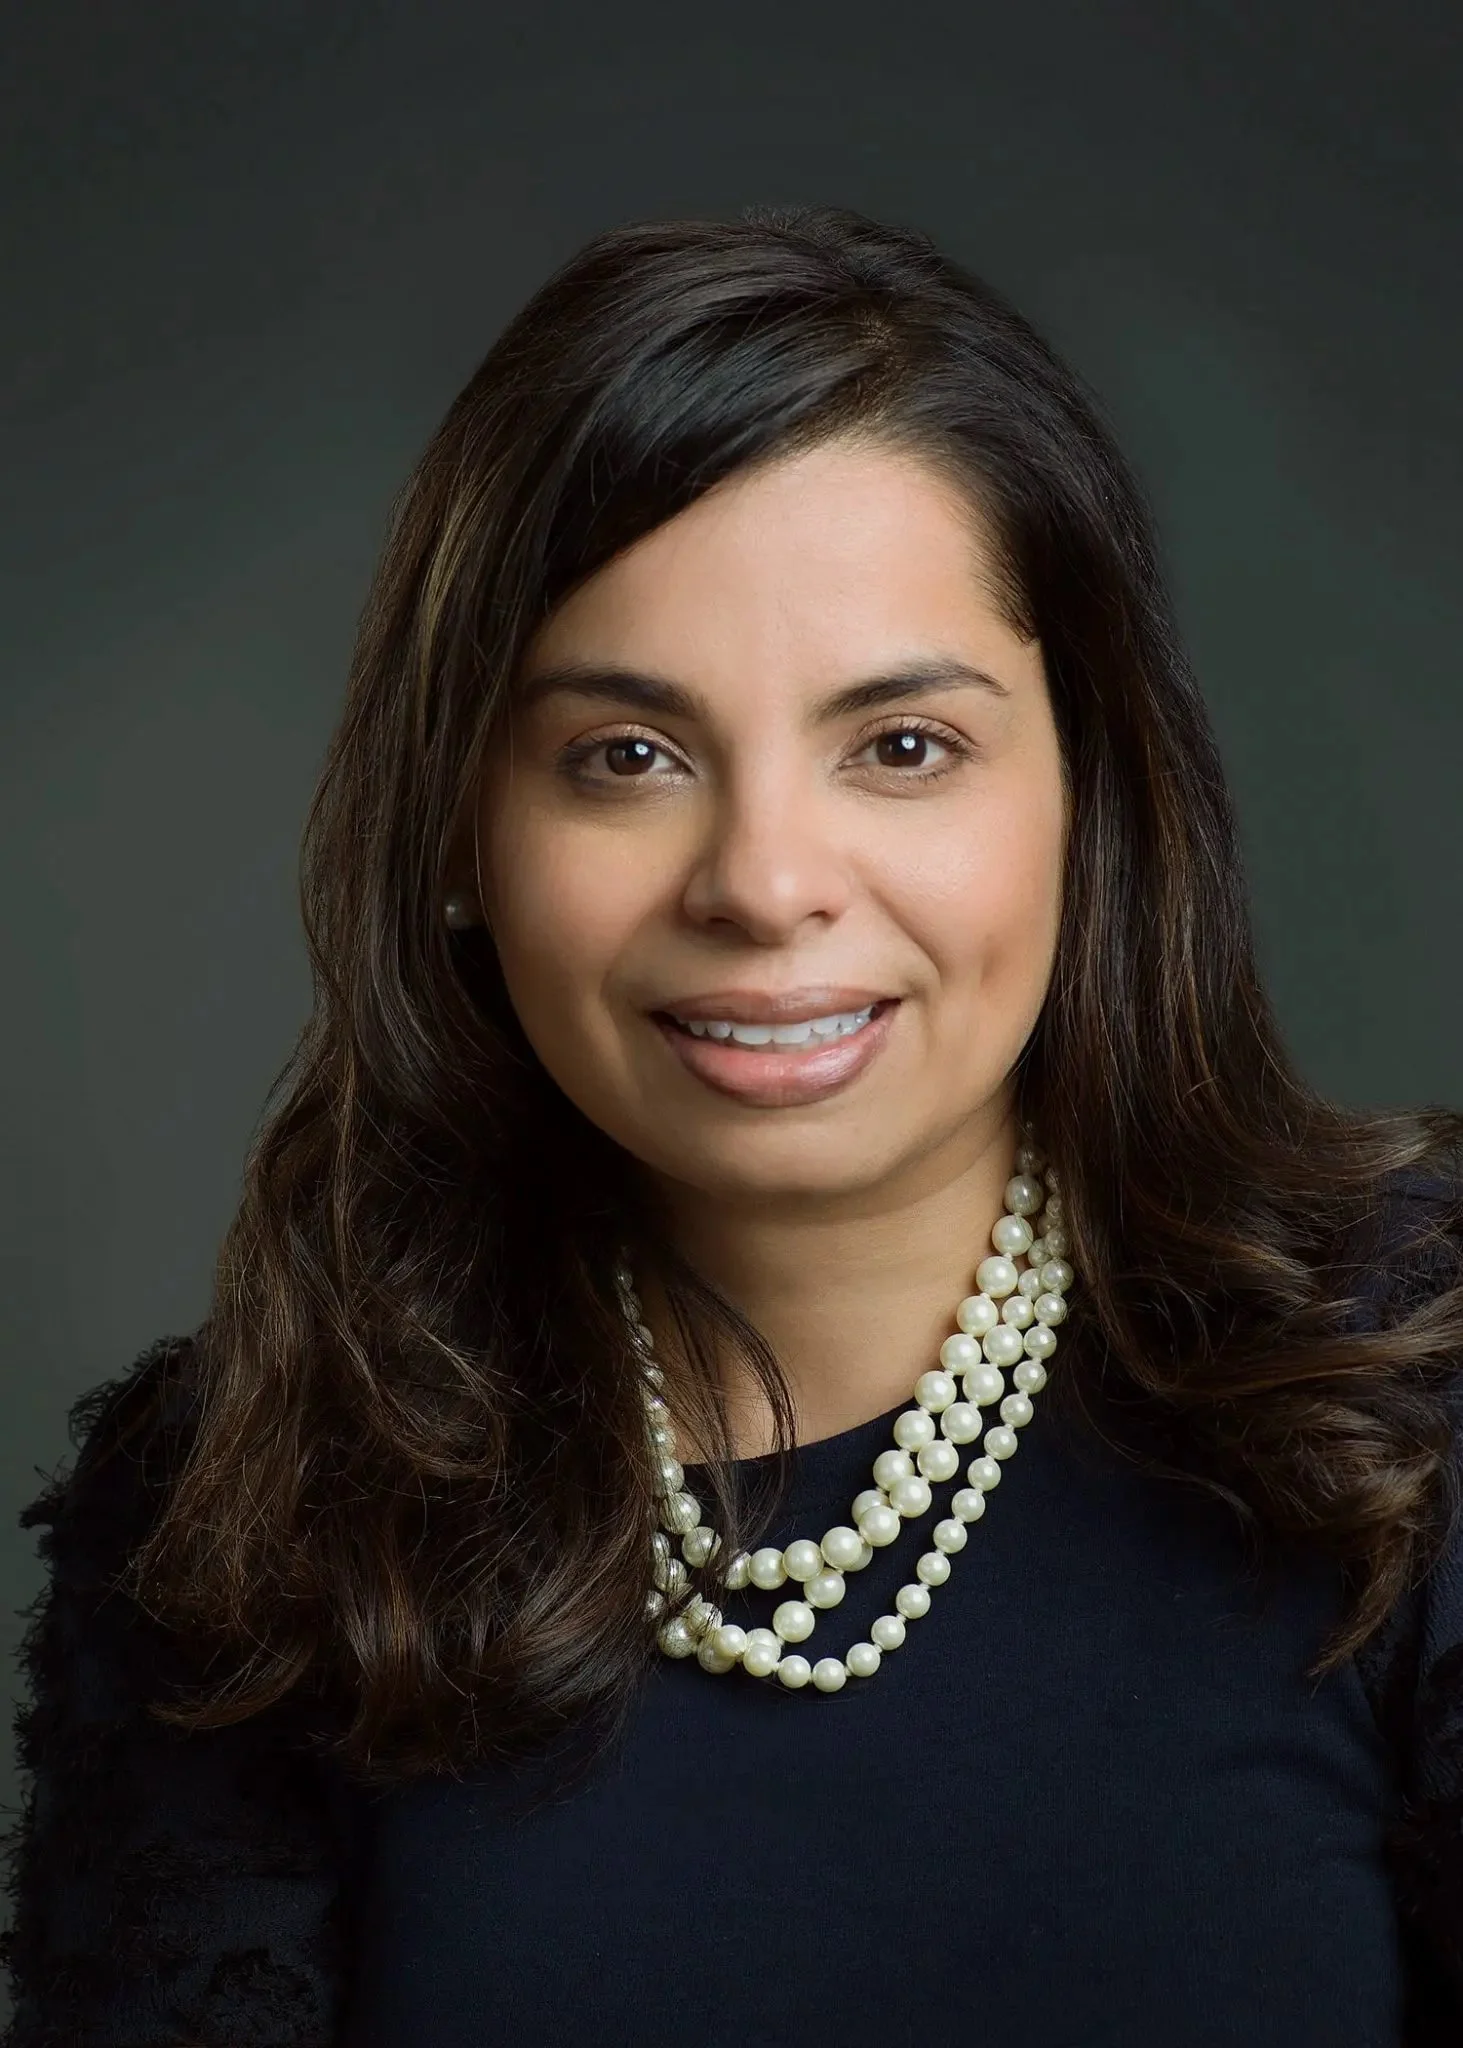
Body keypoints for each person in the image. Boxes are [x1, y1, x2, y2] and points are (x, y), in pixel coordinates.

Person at [2, 203, 1461, 2048]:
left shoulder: (1416, 1403)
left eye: (902, 746)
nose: (765, 884)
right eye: (625, 756)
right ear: (459, 830)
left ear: (1096, 798)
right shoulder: (250, 1511)